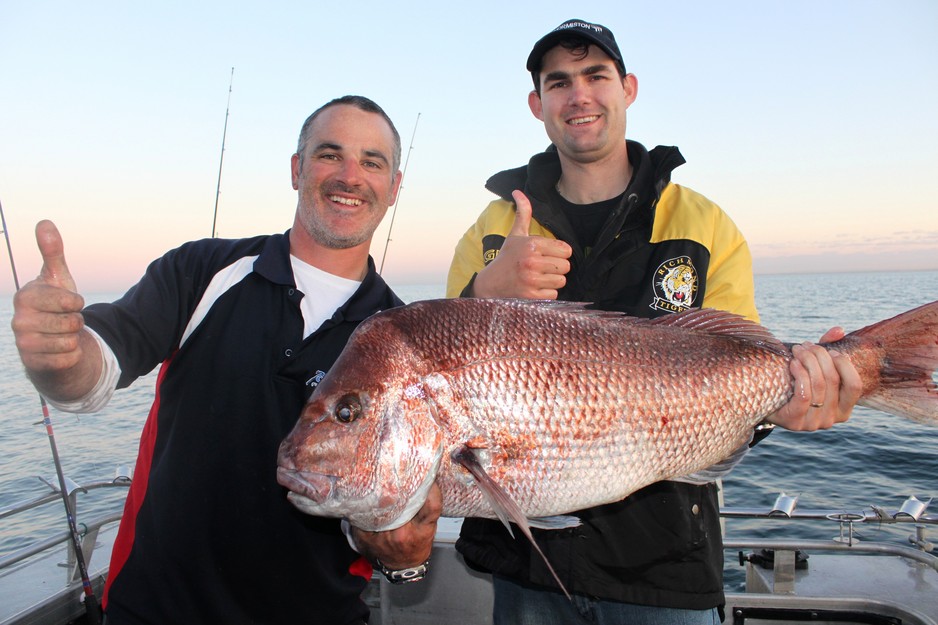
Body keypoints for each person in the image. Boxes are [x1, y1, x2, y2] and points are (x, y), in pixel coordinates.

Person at [447, 19, 863, 625]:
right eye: (558, 82)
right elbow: (435, 381)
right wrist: (483, 293)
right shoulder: (492, 228)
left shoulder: (702, 222)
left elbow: (742, 367)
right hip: (528, 570)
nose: (579, 95)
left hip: (668, 571)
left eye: (596, 76)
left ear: (628, 88)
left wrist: (788, 401)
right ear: (538, 104)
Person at [12, 95, 441, 625]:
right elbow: (94, 370)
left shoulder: (408, 336)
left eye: (373, 162)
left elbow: (390, 520)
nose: (350, 176)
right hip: (154, 611)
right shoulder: (202, 271)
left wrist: (407, 560)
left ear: (394, 187)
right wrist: (59, 352)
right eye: (330, 154)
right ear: (296, 169)